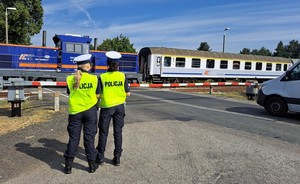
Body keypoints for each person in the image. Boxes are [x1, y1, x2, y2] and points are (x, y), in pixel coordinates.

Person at [64, 54, 100, 174]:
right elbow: (98, 94)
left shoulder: (70, 78)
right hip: (90, 111)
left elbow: (70, 92)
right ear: (88, 66)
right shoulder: (95, 79)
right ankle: (91, 165)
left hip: (75, 112)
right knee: (89, 138)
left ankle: (68, 166)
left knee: (73, 138)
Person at [96, 51, 131, 166]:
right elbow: (128, 93)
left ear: (107, 64)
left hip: (106, 108)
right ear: (118, 65)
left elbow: (98, 94)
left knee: (103, 132)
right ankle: (117, 158)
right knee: (118, 132)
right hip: (120, 107)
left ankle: (100, 157)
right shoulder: (122, 76)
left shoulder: (102, 77)